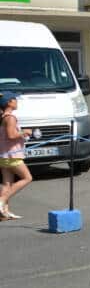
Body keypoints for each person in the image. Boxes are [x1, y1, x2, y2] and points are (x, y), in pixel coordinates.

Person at [0, 91, 34, 220]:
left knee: (6, 184)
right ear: (9, 102)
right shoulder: (11, 117)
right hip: (12, 156)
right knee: (27, 178)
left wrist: (20, 134)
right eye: (15, 99)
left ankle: (4, 212)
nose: (17, 101)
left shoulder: (3, 116)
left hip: (3, 155)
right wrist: (24, 131)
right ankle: (1, 200)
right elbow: (11, 135)